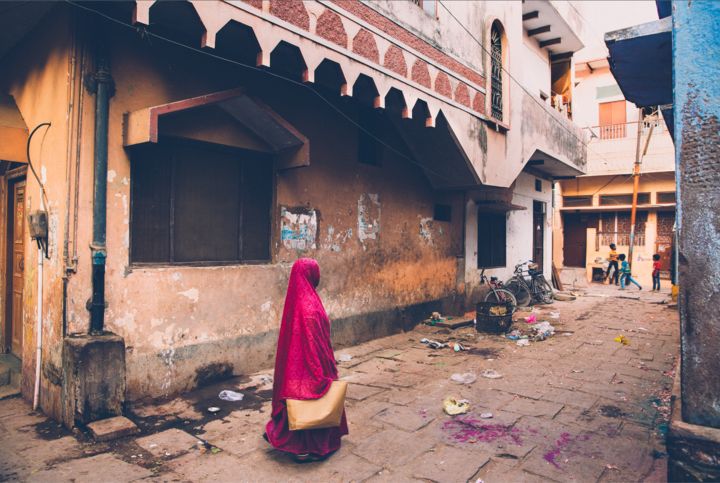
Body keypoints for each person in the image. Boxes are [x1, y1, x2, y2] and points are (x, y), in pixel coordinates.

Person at [265, 258, 348, 462]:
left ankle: (290, 439)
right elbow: (311, 343)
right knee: (311, 402)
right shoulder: (309, 305)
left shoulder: (298, 300)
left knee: (294, 403)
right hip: (311, 364)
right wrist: (318, 374)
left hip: (297, 366)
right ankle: (307, 448)